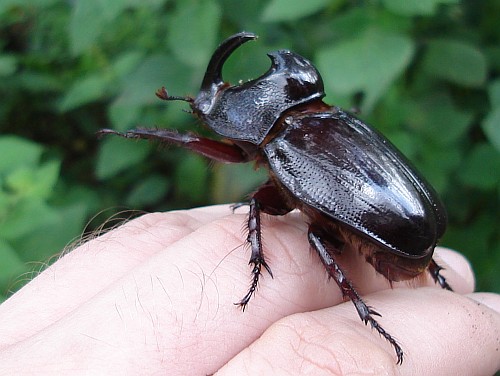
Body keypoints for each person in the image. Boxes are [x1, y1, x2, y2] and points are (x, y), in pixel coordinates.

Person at [0, 205, 498, 375]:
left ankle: (367, 312)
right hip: (411, 234)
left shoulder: (292, 147)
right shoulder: (328, 122)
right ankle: (408, 290)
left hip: (393, 238)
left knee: (297, 231)